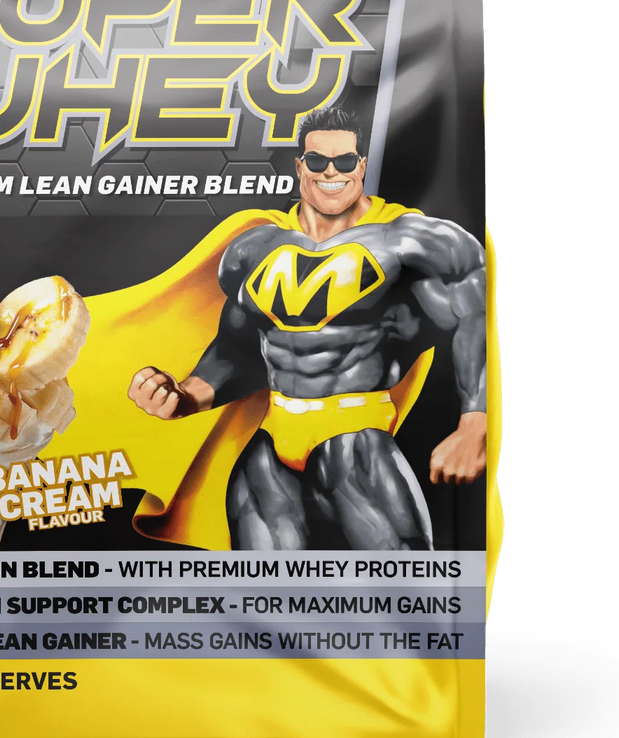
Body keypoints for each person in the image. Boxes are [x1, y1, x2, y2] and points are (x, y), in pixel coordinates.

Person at [126, 105, 486, 550]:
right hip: (272, 440)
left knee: (402, 581)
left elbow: (478, 313)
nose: (331, 171)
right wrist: (183, 396)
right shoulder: (254, 249)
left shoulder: (411, 242)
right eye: (318, 161)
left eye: (344, 161)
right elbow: (237, 350)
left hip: (355, 432)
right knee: (265, 588)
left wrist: (475, 423)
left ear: (361, 166)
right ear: (300, 166)